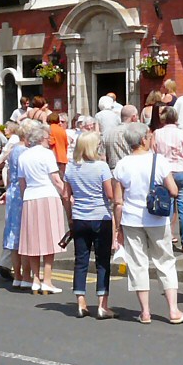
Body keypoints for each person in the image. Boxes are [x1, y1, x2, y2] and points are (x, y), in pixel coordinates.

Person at [111, 122, 183, 324]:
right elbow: (174, 190)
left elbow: (117, 201)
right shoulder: (159, 161)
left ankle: (145, 312)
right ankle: (174, 311)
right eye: (148, 137)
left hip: (131, 219)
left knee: (137, 264)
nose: (150, 139)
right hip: (157, 219)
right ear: (142, 140)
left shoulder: (122, 164)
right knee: (165, 262)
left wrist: (117, 229)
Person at [62, 131, 114, 318]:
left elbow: (66, 195)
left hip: (79, 218)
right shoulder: (101, 167)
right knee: (102, 262)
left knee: (81, 261)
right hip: (101, 217)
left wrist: (70, 217)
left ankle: (81, 302)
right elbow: (109, 195)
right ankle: (102, 305)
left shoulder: (70, 168)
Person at [18, 122, 67, 294]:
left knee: (33, 240)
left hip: (30, 198)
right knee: (49, 240)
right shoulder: (47, 154)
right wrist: (66, 194)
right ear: (40, 139)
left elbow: (22, 183)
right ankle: (47, 280)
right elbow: (55, 179)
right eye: (47, 138)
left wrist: (26, 198)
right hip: (47, 196)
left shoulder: (23, 156)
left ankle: (36, 280)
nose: (50, 141)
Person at [152, 106, 183, 252]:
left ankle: (167, 239)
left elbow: (153, 153)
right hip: (182, 170)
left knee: (166, 206)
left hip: (165, 172)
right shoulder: (182, 133)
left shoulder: (156, 133)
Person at [3, 121, 31, 288]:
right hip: (22, 192)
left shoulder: (14, 150)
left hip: (13, 192)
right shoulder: (24, 151)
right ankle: (27, 276)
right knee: (25, 235)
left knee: (14, 235)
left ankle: (17, 275)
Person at [103, 105, 139, 169]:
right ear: (134, 117)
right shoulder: (133, 132)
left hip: (112, 170)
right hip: (129, 169)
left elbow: (103, 156)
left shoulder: (108, 133)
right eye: (137, 115)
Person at [47, 111, 69, 176]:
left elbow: (51, 142)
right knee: (62, 178)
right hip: (63, 157)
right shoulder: (62, 130)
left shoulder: (49, 129)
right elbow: (66, 144)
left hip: (54, 157)